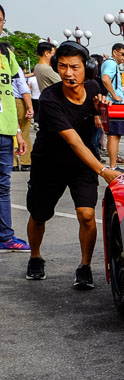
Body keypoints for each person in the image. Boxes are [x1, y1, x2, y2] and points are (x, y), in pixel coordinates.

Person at [25, 41, 122, 286]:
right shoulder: (49, 99)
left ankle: (85, 266)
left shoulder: (93, 86)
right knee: (39, 215)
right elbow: (74, 141)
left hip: (82, 164)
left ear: (85, 69)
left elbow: (101, 122)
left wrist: (101, 111)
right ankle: (35, 257)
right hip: (49, 163)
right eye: (63, 66)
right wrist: (103, 170)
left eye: (75, 67)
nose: (69, 73)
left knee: (87, 215)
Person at [0, 3, 30, 252]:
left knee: (3, 185)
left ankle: (5, 236)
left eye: (0, 20)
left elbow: (9, 93)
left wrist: (17, 132)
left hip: (5, 130)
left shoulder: (6, 54)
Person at [101, 42, 124, 167]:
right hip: (114, 105)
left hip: (114, 104)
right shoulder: (111, 64)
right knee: (113, 135)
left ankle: (113, 164)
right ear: (115, 52)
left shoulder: (110, 63)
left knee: (115, 135)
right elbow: (105, 78)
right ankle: (113, 166)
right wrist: (114, 95)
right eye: (123, 54)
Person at [13, 70, 33, 171]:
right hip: (18, 100)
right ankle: (26, 162)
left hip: (4, 100)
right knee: (24, 132)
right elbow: (23, 88)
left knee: (9, 132)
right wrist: (30, 107)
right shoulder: (15, 67)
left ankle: (13, 163)